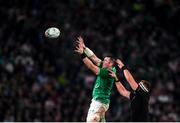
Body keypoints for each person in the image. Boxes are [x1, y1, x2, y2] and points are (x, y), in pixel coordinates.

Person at [74, 36, 116, 122]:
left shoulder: (108, 72)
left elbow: (91, 66)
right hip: (101, 102)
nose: (103, 61)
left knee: (91, 121)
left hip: (99, 102)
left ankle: (98, 116)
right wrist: (85, 48)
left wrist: (82, 54)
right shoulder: (108, 68)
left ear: (110, 64)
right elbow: (94, 58)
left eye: (105, 61)